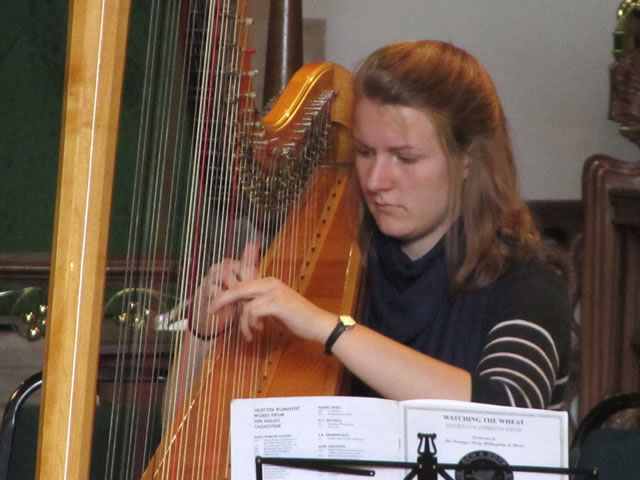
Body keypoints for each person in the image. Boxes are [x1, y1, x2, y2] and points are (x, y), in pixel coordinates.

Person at [202, 40, 572, 410]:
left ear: (468, 161)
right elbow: (193, 421)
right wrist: (205, 330)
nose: (376, 180)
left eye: (405, 158)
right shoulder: (337, 266)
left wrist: (330, 329)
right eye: (365, 152)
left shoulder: (529, 286)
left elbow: (509, 410)